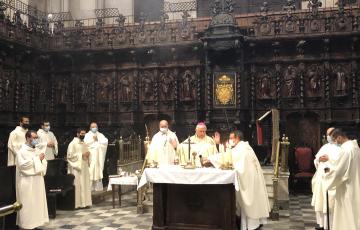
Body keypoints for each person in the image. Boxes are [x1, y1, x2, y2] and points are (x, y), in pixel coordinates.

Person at [208, 130, 270, 230]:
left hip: (248, 181)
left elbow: (228, 157)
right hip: (252, 180)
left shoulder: (241, 149)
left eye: (231, 138)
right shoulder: (245, 147)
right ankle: (254, 224)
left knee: (248, 201)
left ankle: (250, 225)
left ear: (237, 138)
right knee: (252, 202)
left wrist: (210, 159)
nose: (230, 140)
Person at [324, 129, 360, 230]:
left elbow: (339, 172)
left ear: (339, 137)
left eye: (334, 140)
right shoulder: (355, 147)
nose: (335, 142)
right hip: (355, 184)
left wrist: (326, 175)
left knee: (347, 213)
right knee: (354, 212)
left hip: (346, 187)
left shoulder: (346, 150)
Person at [16, 130, 49, 229]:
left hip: (38, 180)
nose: (35, 140)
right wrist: (37, 159)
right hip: (27, 181)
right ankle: (26, 225)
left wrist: (41, 160)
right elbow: (23, 166)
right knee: (28, 203)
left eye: (36, 138)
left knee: (37, 202)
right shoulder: (21, 151)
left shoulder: (37, 150)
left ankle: (36, 224)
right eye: (34, 138)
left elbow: (44, 162)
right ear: (27, 138)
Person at [311, 127, 341, 230]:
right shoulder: (325, 147)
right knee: (321, 203)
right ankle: (323, 225)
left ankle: (332, 226)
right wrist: (319, 159)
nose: (328, 136)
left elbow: (340, 164)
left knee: (331, 205)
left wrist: (329, 161)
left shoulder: (341, 148)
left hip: (332, 180)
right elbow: (316, 160)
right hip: (321, 179)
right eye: (327, 134)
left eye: (330, 134)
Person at [67, 128, 92, 208]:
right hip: (76, 168)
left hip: (84, 167)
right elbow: (70, 156)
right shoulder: (72, 143)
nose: (83, 135)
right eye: (81, 133)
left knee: (84, 184)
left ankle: (85, 203)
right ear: (77, 134)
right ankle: (77, 204)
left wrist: (88, 154)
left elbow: (86, 154)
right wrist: (81, 155)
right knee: (78, 185)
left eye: (84, 134)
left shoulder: (84, 143)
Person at [84, 122, 108, 191]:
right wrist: (93, 140)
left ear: (97, 127)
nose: (94, 128)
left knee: (98, 171)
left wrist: (98, 139)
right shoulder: (87, 135)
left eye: (95, 127)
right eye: (93, 127)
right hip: (91, 157)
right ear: (90, 128)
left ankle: (98, 188)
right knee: (91, 171)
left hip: (98, 157)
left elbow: (105, 141)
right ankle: (90, 188)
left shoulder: (100, 135)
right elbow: (85, 143)